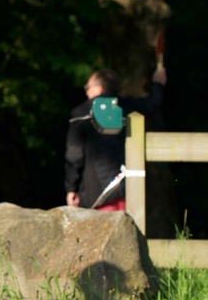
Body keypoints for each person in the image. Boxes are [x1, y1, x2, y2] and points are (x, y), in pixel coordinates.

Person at [65, 65, 167, 210]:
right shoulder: (127, 106)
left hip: (96, 193)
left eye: (88, 87)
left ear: (99, 88)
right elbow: (153, 103)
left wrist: (71, 188)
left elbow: (74, 155)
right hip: (128, 186)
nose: (86, 91)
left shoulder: (81, 113)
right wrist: (158, 82)